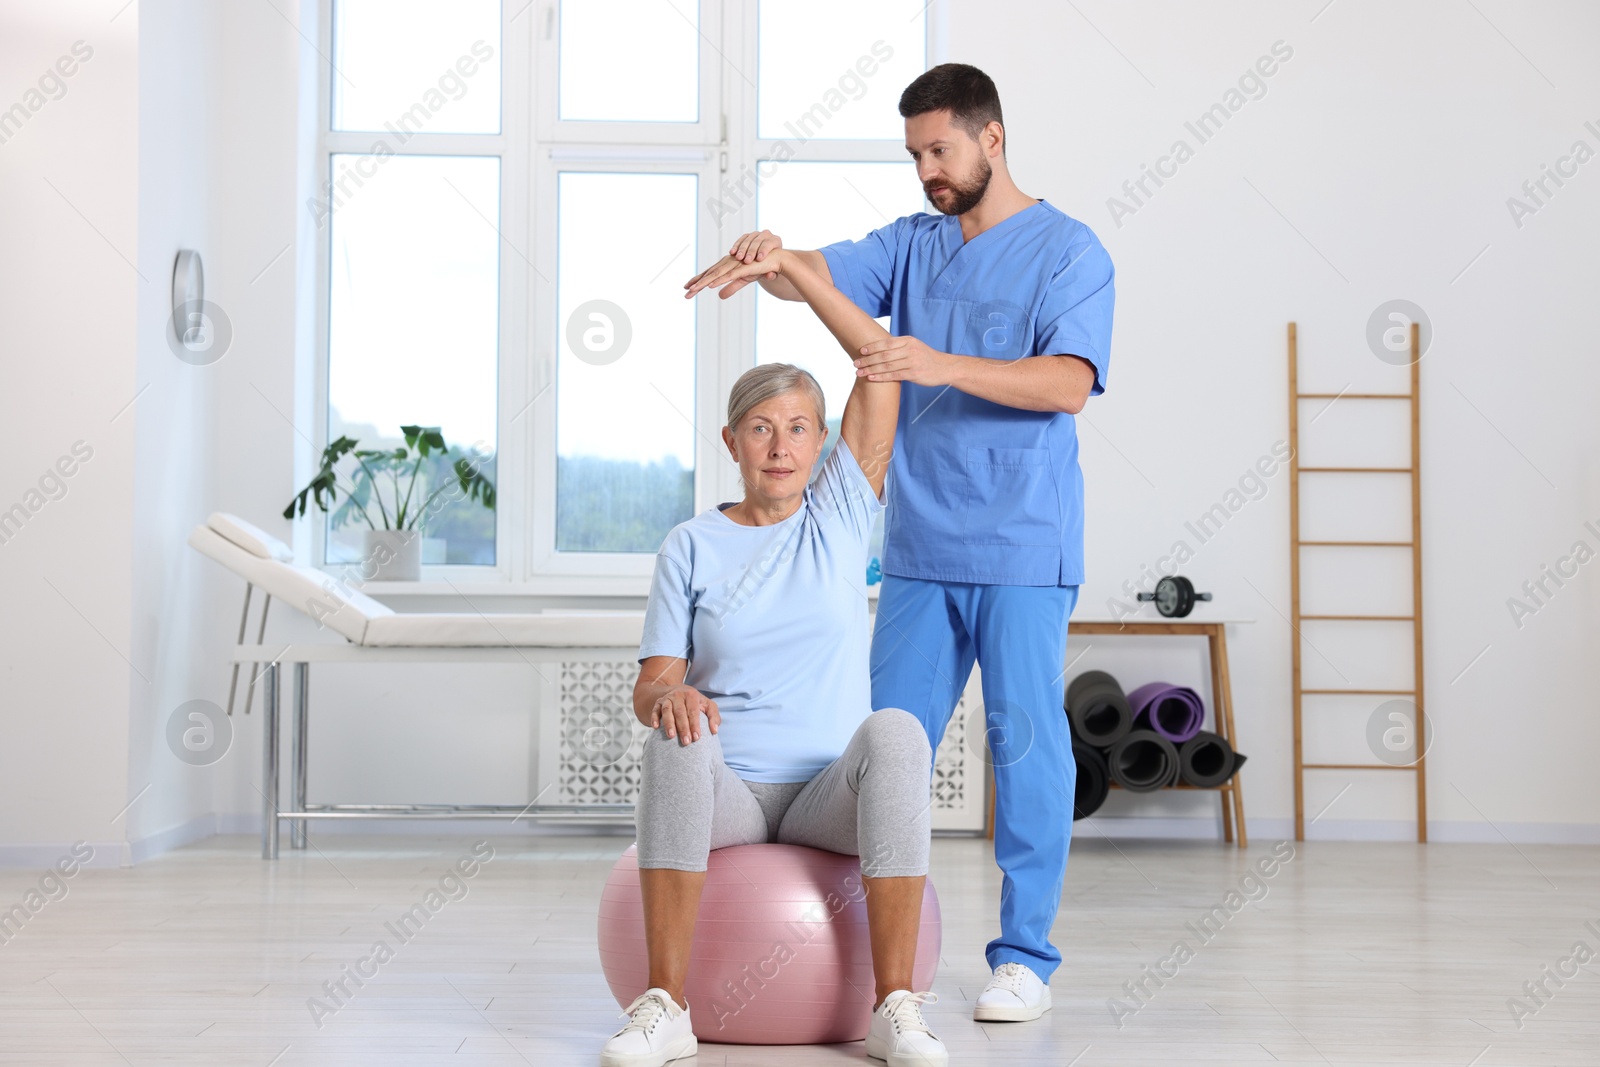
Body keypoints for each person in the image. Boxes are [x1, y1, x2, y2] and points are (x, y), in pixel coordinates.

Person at [684, 62, 1116, 1024]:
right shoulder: (914, 244)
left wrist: (938, 362)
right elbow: (825, 280)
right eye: (915, 153)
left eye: (941, 149)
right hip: (921, 544)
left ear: (991, 139)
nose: (927, 169)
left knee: (1026, 745)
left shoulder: (1070, 252)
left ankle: (1024, 957)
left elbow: (1067, 384)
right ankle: (866, 946)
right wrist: (778, 257)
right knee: (881, 748)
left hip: (1023, 542)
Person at [602, 248, 946, 1067]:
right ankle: (668, 1007)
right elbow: (651, 681)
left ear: (821, 441)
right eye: (762, 428)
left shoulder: (836, 516)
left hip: (827, 791)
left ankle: (894, 1006)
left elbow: (880, 364)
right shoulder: (689, 543)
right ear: (732, 440)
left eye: (798, 428)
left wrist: (797, 271)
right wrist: (670, 697)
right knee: (673, 739)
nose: (780, 446)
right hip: (731, 793)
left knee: (897, 729)